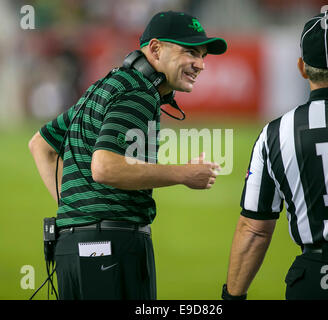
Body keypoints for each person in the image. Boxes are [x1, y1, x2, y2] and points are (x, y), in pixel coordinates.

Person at [29, 11, 227, 300]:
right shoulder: (139, 93)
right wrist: (183, 173)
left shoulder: (103, 87)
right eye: (190, 52)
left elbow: (41, 144)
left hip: (73, 250)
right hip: (110, 248)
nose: (200, 64)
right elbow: (105, 168)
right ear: (156, 49)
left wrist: (76, 218)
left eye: (203, 56)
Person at [222, 12, 328, 300]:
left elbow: (254, 230)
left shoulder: (275, 134)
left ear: (302, 68)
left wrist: (232, 297)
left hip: (314, 277)